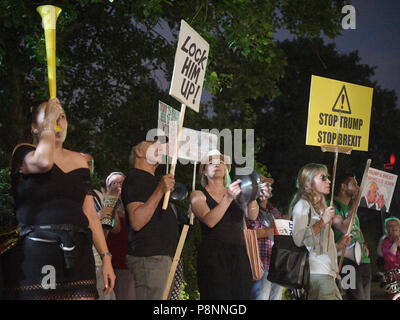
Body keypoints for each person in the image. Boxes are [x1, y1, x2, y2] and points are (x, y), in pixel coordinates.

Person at [3, 98, 115, 299]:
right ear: (35, 127)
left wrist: (106, 257)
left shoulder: (80, 162)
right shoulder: (24, 152)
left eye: (61, 117)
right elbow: (44, 162)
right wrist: (49, 124)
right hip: (38, 250)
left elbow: (89, 213)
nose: (57, 122)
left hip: (78, 251)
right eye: (49, 116)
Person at [190, 150, 259, 299]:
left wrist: (252, 195)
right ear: (203, 171)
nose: (217, 164)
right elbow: (209, 221)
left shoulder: (238, 194)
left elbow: (252, 215)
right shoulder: (198, 194)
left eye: (221, 162)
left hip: (238, 254)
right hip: (213, 256)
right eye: (211, 162)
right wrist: (227, 197)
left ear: (227, 168)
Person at [121, 134, 178, 300]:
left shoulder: (153, 181)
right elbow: (137, 221)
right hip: (149, 258)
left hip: (161, 258)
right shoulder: (135, 179)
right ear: (139, 152)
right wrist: (160, 190)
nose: (157, 146)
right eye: (152, 143)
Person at [291, 163, 344, 300]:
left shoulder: (320, 209)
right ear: (308, 183)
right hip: (316, 273)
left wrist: (339, 245)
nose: (329, 181)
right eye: (323, 178)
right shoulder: (302, 205)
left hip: (327, 272)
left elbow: (319, 246)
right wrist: (322, 222)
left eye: (328, 177)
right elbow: (299, 240)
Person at [331, 173, 371, 300]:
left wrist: (364, 243)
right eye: (354, 184)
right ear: (343, 186)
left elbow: (357, 228)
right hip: (347, 261)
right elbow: (344, 228)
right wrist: (355, 205)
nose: (358, 187)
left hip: (363, 261)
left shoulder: (350, 208)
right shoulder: (333, 205)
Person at [245, 174, 284, 300]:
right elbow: (253, 233)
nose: (270, 188)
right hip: (260, 264)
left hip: (276, 264)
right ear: (257, 188)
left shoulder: (274, 211)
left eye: (270, 186)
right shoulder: (250, 210)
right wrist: (278, 227)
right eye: (267, 185)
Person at [106, 172, 137, 300]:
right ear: (108, 187)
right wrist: (112, 199)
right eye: (115, 183)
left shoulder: (133, 206)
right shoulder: (106, 207)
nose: (119, 186)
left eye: (122, 183)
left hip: (129, 266)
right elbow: (113, 227)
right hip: (111, 265)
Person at [381, 217, 400, 300]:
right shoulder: (386, 242)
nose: (393, 227)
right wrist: (395, 244)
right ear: (387, 229)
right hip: (393, 278)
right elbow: (390, 260)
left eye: (396, 225)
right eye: (390, 226)